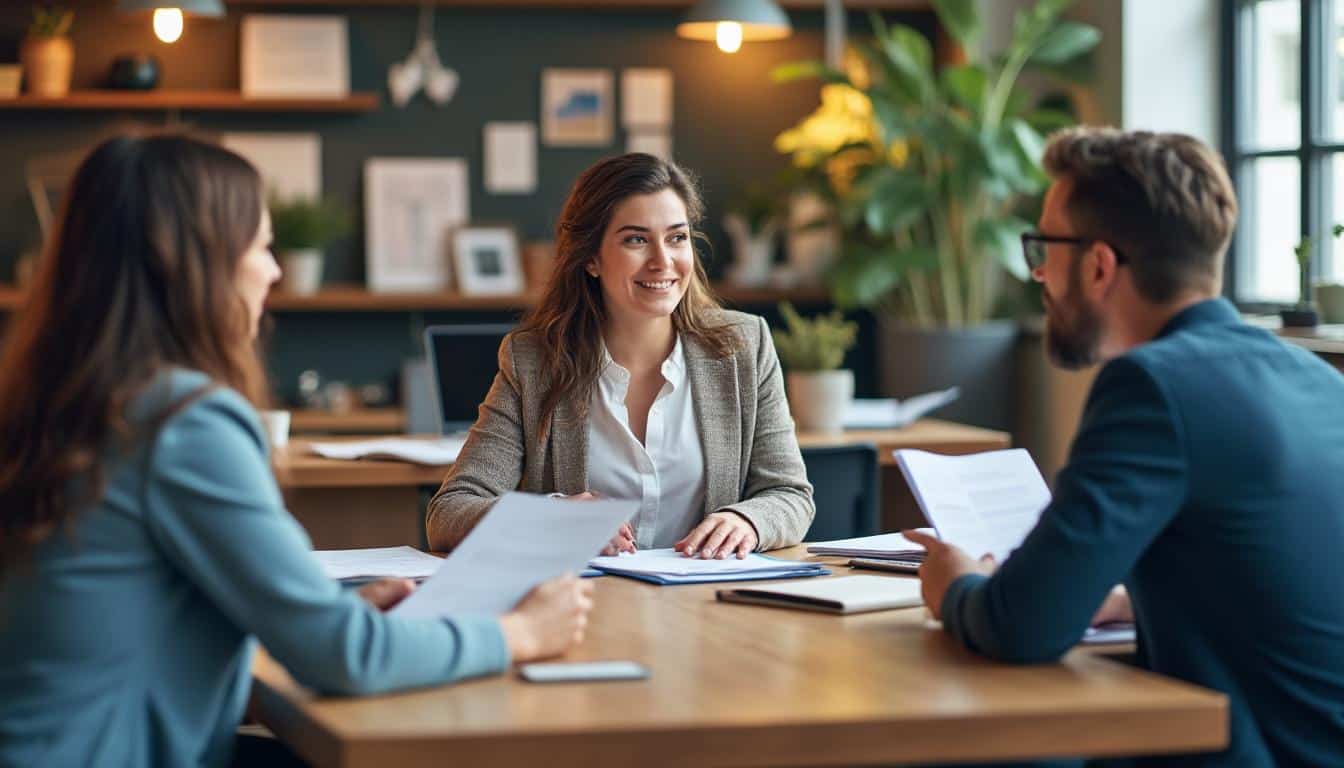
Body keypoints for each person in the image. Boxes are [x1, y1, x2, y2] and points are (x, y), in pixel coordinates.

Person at [0, 134, 594, 767]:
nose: (275, 271)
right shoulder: (184, 419)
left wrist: (330, 610)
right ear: (196, 263)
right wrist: (523, 633)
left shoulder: (68, 398)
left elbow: (159, 601)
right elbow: (345, 658)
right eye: (259, 246)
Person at [906, 127, 1344, 766]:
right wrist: (1127, 601)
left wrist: (956, 585)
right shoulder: (1314, 377)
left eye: (1043, 246)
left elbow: (1022, 627)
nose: (1037, 272)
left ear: (1099, 265)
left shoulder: (1153, 387)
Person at [427, 153, 814, 559]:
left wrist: (747, 521)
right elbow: (450, 511)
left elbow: (788, 493)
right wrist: (551, 518)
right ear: (590, 258)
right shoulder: (534, 361)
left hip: (706, 603)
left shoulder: (743, 345)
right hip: (583, 606)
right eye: (636, 239)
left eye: (677, 237)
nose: (662, 261)